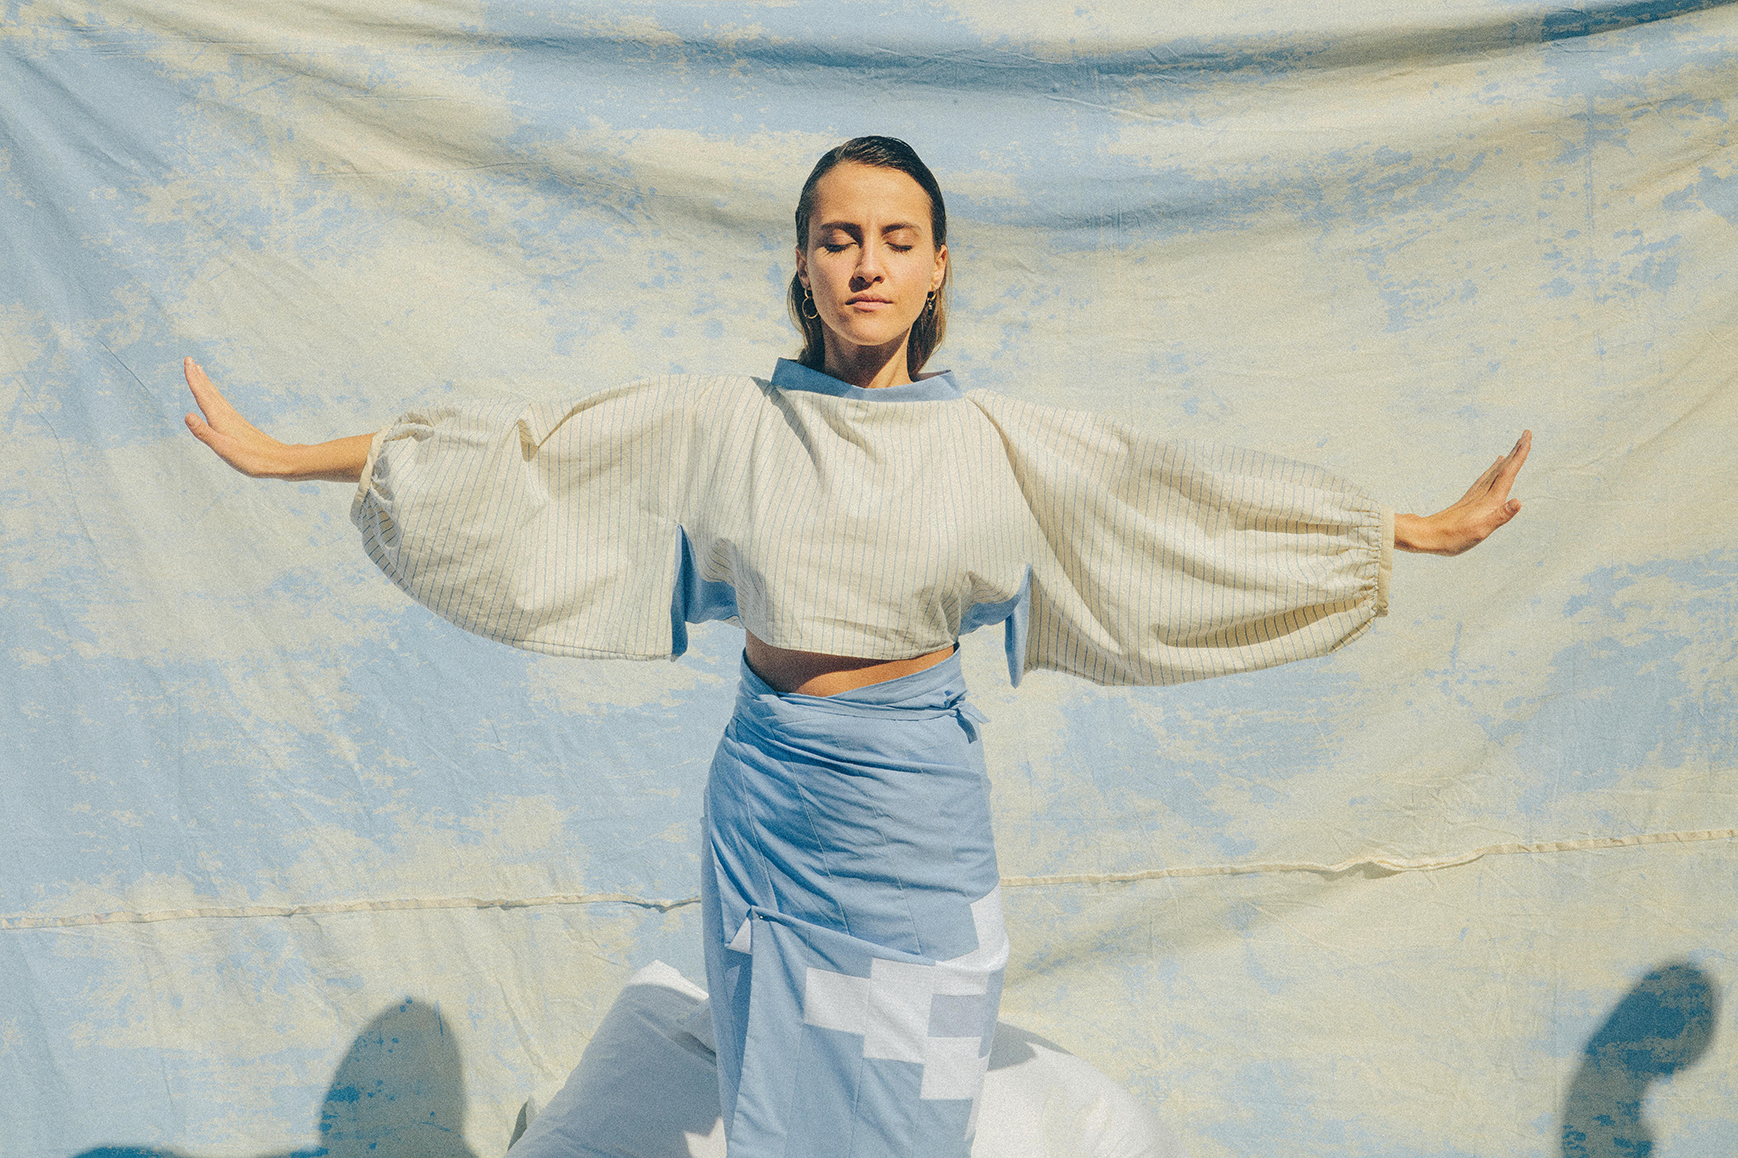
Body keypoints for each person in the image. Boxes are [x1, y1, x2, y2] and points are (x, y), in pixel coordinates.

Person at [183, 136, 1530, 1158]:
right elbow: (527, 461)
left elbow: (1171, 502)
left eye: (895, 239)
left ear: (937, 266)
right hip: (768, 805)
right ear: (802, 264)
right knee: (777, 1099)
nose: (866, 264)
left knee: (913, 1092)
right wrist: (286, 456)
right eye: (839, 239)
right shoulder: (726, 423)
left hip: (911, 815)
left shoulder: (992, 442)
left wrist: (1400, 530)